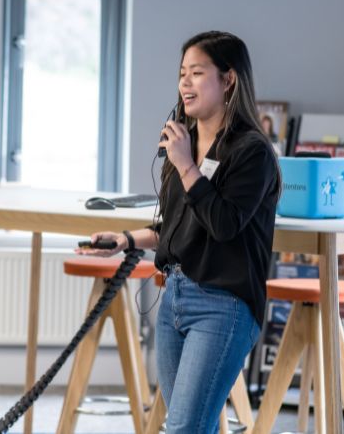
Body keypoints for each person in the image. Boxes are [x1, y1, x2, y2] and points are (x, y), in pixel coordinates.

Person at [77, 30, 281, 434]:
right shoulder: (182, 145)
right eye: (182, 73)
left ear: (228, 80)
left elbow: (223, 225)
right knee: (189, 426)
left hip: (224, 304)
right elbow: (180, 226)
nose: (184, 83)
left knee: (183, 428)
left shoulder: (250, 151)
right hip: (175, 296)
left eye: (197, 72)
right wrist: (127, 239)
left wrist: (186, 165)